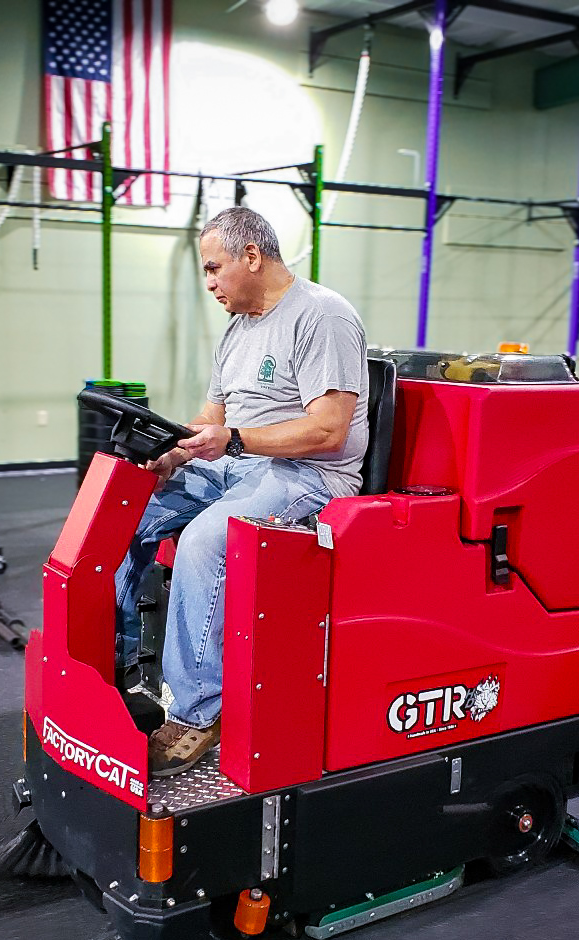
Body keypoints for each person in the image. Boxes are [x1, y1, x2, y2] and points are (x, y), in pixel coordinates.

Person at [115, 206, 368, 777]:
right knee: (127, 510)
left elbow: (329, 429)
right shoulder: (238, 329)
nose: (209, 285)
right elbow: (211, 416)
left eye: (213, 269)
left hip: (312, 477)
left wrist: (231, 440)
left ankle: (196, 716)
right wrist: (173, 453)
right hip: (242, 464)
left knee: (208, 539)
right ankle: (121, 666)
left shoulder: (322, 317)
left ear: (251, 256)